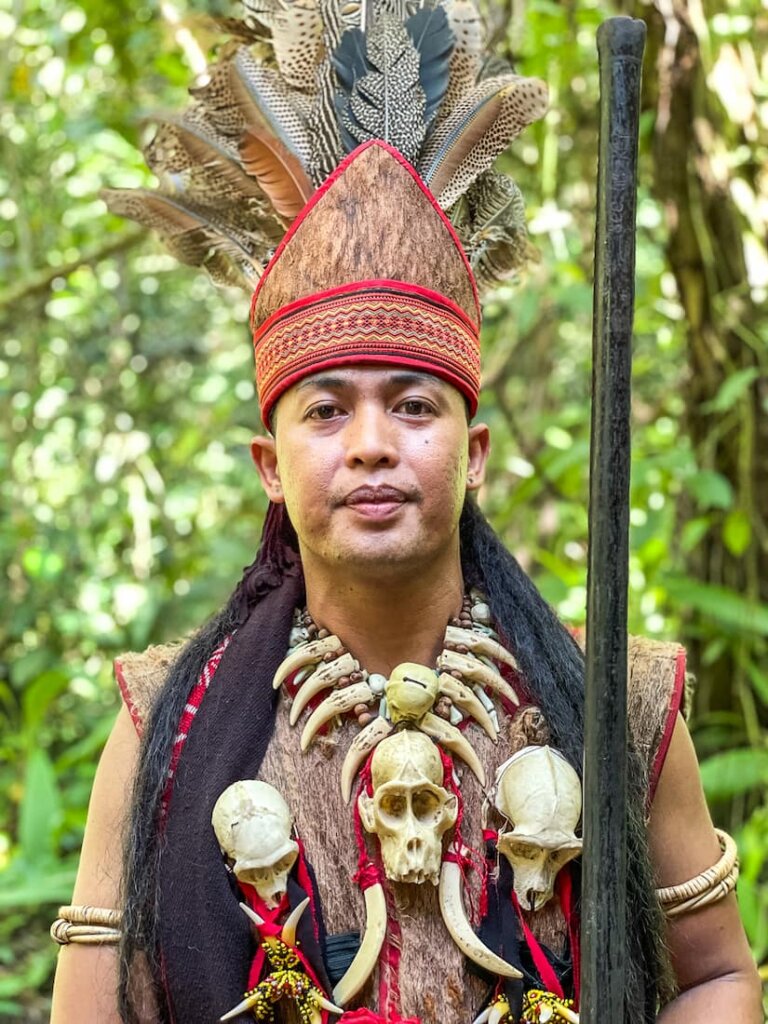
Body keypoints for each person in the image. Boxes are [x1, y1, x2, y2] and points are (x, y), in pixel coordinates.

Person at [50, 4, 761, 1023]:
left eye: (414, 406)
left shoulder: (625, 702)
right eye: (328, 410)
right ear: (269, 464)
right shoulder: (165, 717)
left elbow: (718, 976)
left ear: (474, 453)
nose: (374, 443)